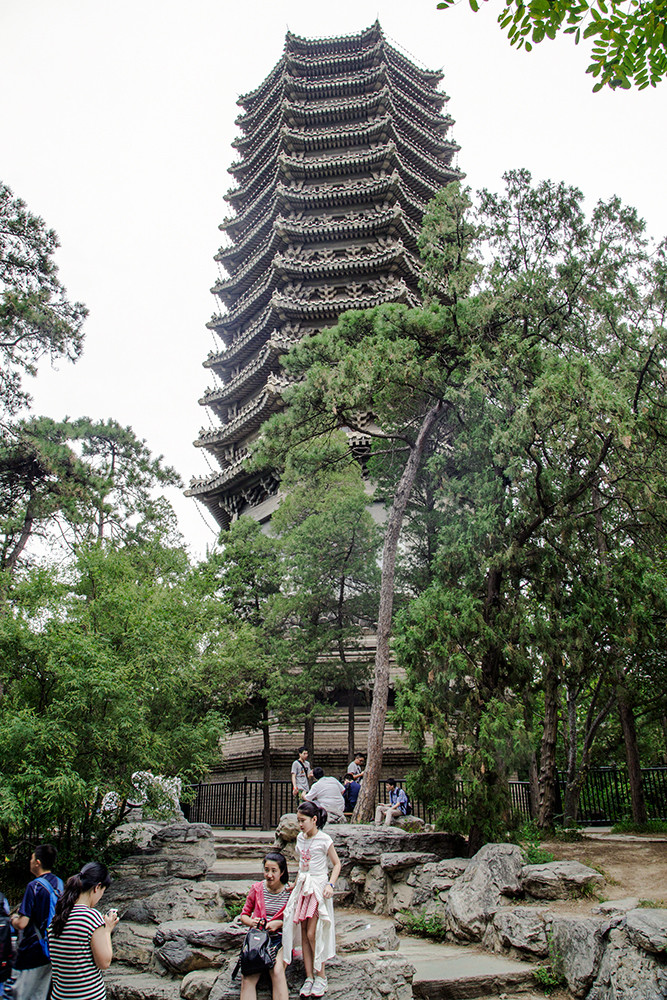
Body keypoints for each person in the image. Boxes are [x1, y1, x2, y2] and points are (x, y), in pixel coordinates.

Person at [282, 801, 341, 999]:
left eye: (303, 820)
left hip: (317, 888)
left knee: (312, 932)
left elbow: (336, 864)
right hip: (303, 888)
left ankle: (321, 975)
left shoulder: (325, 840)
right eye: (298, 821)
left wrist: (330, 885)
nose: (300, 825)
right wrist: (294, 883)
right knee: (304, 932)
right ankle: (309, 976)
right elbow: (302, 866)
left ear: (314, 819)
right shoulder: (300, 838)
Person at [48, 861, 118, 1000]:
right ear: (97, 887)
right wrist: (107, 931)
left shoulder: (57, 918)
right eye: (103, 891)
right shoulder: (91, 917)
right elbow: (104, 962)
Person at [10, 844, 63, 1000]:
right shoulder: (60, 884)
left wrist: (13, 920)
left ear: (38, 862)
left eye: (32, 858)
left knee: (22, 994)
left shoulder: (34, 886)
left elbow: (22, 923)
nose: (30, 861)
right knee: (41, 994)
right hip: (52, 949)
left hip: (32, 951)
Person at [239, 852, 292, 1000]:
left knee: (276, 971)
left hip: (279, 938)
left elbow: (296, 920)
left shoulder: (290, 891)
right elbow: (244, 915)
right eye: (266, 870)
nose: (269, 875)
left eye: (274, 871)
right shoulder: (257, 888)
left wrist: (280, 923)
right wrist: (252, 922)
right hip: (258, 938)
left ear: (282, 872)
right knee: (248, 975)